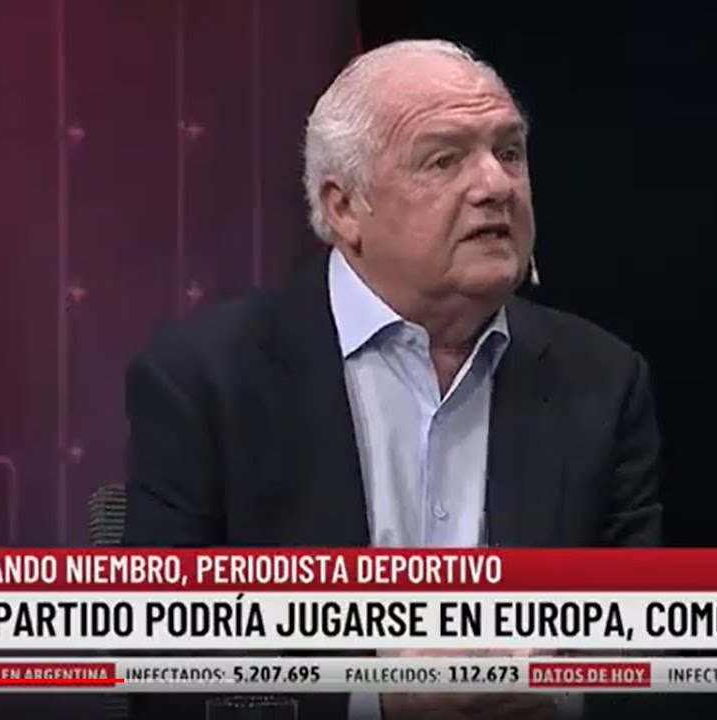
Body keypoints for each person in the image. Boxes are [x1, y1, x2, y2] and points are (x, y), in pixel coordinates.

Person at [124, 39, 665, 720]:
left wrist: (557, 692)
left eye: (509, 152)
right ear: (345, 208)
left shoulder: (604, 379)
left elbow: (647, 654)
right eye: (444, 160)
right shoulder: (206, 379)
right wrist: (377, 699)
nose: (496, 185)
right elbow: (167, 669)